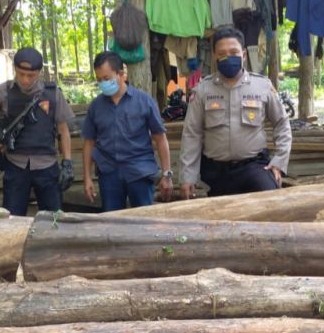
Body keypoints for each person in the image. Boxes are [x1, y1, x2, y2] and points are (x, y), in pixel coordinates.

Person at [180, 27, 292, 199]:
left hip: (254, 167)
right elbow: (192, 134)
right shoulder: (203, 90)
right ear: (215, 56)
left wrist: (279, 162)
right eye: (222, 53)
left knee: (270, 201)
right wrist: (188, 177)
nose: (228, 57)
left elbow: (282, 123)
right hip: (215, 173)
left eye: (234, 52)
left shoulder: (262, 86)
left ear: (244, 55)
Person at [0, 47, 74, 215]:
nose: (25, 80)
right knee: (12, 218)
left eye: (31, 75)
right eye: (21, 74)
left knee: (53, 220)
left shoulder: (53, 94)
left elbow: (63, 131)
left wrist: (68, 163)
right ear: (15, 69)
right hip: (15, 165)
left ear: (39, 72)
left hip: (47, 166)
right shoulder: (3, 92)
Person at [82, 51, 173, 211]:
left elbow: (160, 138)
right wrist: (87, 178)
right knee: (112, 223)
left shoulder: (144, 101)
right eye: (99, 80)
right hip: (108, 173)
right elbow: (89, 142)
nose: (102, 83)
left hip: (140, 171)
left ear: (121, 74)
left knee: (144, 221)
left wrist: (167, 174)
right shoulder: (96, 106)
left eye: (106, 78)